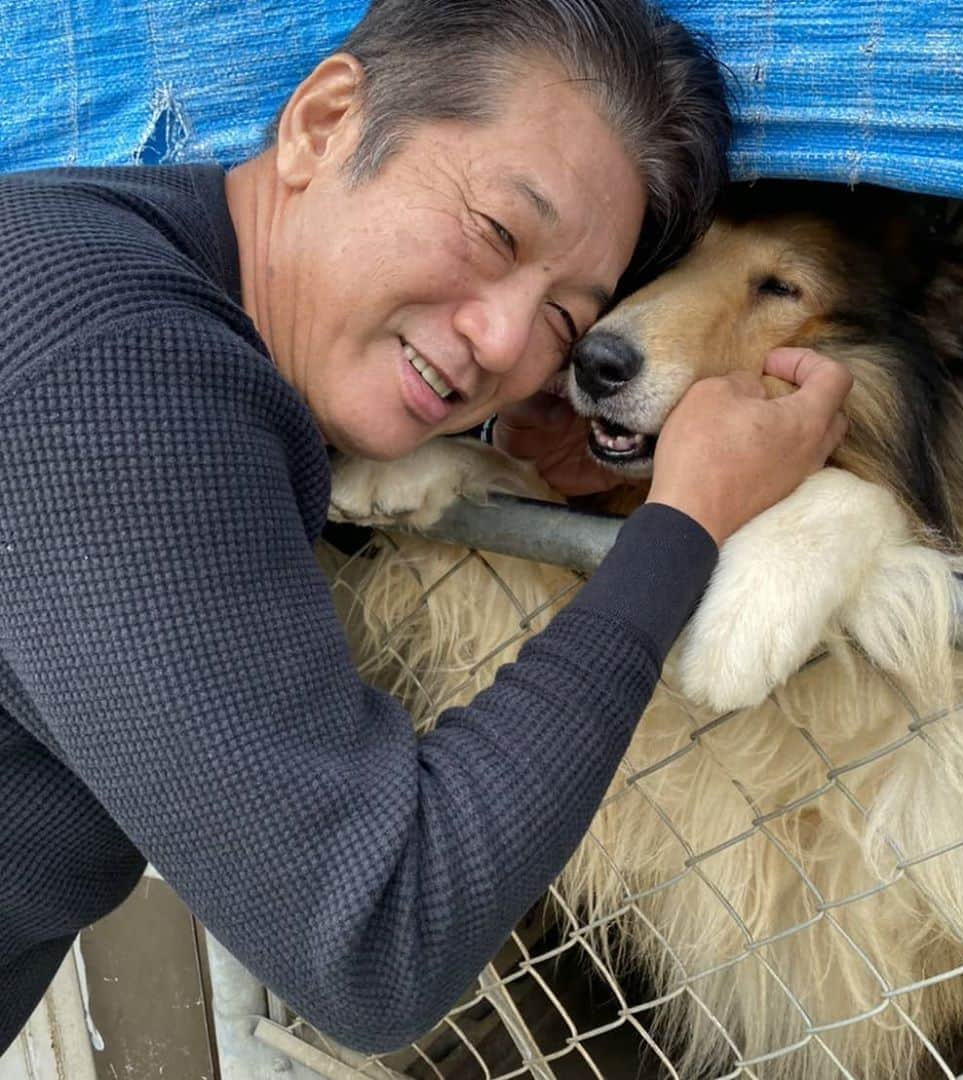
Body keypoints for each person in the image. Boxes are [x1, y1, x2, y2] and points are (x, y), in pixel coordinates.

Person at [0, 0, 852, 1054]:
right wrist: (685, 521)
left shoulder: (89, 256)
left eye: (564, 322)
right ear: (324, 121)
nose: (501, 341)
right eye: (496, 230)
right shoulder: (120, 374)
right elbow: (378, 941)